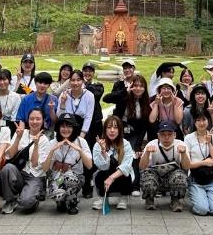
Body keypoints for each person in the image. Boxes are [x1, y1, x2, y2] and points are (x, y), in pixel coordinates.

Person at [105, 74, 150, 196]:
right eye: (135, 86)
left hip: (136, 132)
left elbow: (145, 125)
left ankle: (135, 185)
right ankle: (115, 183)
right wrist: (125, 91)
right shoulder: (124, 97)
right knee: (118, 155)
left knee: (134, 154)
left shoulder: (147, 101)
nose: (138, 89)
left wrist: (139, 143)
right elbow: (106, 98)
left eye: (141, 86)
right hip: (120, 131)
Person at [0, 108, 50, 214]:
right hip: (20, 172)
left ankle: (34, 195)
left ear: (43, 121)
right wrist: (18, 138)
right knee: (7, 168)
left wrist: (36, 144)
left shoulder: (45, 140)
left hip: (35, 176)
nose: (35, 122)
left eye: (38, 119)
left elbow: (35, 164)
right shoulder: (21, 133)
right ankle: (10, 200)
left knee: (26, 203)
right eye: (32, 119)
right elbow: (9, 155)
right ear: (27, 120)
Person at [43, 113, 93, 214]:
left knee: (68, 176)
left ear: (74, 128)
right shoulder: (52, 142)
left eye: (69, 126)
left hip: (75, 177)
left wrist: (79, 150)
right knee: (57, 192)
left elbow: (89, 165)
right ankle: (60, 202)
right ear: (58, 127)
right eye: (63, 126)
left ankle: (72, 202)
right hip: (57, 177)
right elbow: (44, 169)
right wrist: (51, 151)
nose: (66, 129)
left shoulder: (81, 141)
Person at [139, 120, 190, 211]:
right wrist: (147, 152)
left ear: (174, 135)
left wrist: (183, 154)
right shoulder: (151, 144)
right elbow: (142, 167)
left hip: (173, 177)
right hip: (156, 177)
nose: (166, 137)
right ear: (158, 135)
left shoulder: (181, 145)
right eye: (163, 135)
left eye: (169, 134)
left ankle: (175, 200)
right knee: (147, 176)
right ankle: (149, 199)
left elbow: (186, 167)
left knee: (181, 176)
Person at [185, 110, 213, 216]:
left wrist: (210, 143)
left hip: (211, 178)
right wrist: (204, 163)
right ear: (194, 122)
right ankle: (200, 199)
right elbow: (187, 164)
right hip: (195, 178)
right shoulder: (188, 138)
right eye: (198, 120)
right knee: (202, 210)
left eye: (204, 120)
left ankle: (211, 199)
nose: (201, 123)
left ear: (208, 121)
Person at [91, 116, 135, 211]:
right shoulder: (98, 145)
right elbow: (102, 167)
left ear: (120, 130)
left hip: (120, 177)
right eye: (109, 127)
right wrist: (103, 152)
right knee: (99, 175)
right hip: (105, 174)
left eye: (115, 127)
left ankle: (123, 197)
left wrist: (112, 178)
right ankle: (102, 197)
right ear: (105, 129)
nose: (112, 130)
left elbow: (126, 165)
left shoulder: (126, 144)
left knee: (125, 174)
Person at [82, 62, 105, 199]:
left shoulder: (98, 85)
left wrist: (85, 85)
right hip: (84, 123)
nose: (87, 73)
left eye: (90, 71)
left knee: (95, 150)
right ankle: (86, 184)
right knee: (85, 152)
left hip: (95, 123)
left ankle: (94, 179)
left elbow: (96, 94)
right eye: (85, 71)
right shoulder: (78, 84)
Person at [56, 70, 95, 139]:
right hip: (66, 131)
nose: (75, 83)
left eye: (78, 80)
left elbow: (88, 118)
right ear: (69, 81)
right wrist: (62, 103)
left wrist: (81, 137)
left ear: (83, 81)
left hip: (82, 131)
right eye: (73, 80)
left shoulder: (89, 96)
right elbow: (59, 116)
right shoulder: (64, 94)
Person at [0, 69, 21, 135]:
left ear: (9, 80)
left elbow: (14, 118)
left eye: (4, 79)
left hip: (9, 128)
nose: (2, 82)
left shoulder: (15, 97)